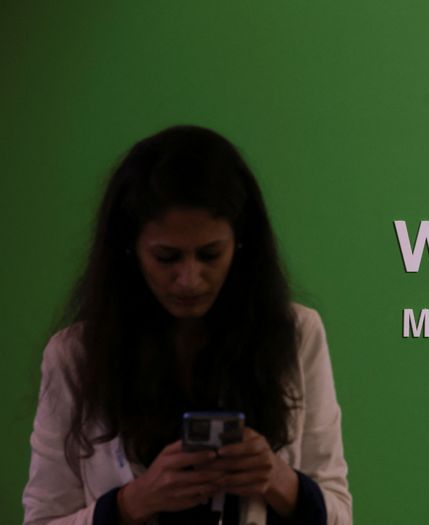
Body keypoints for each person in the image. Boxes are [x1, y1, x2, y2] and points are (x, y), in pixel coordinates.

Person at [22, 125, 352, 525]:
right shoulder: (74, 356)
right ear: (130, 249)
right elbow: (42, 518)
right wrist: (132, 502)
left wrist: (278, 480)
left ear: (241, 244)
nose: (190, 279)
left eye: (210, 254)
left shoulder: (297, 334)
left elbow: (340, 513)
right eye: (167, 257)